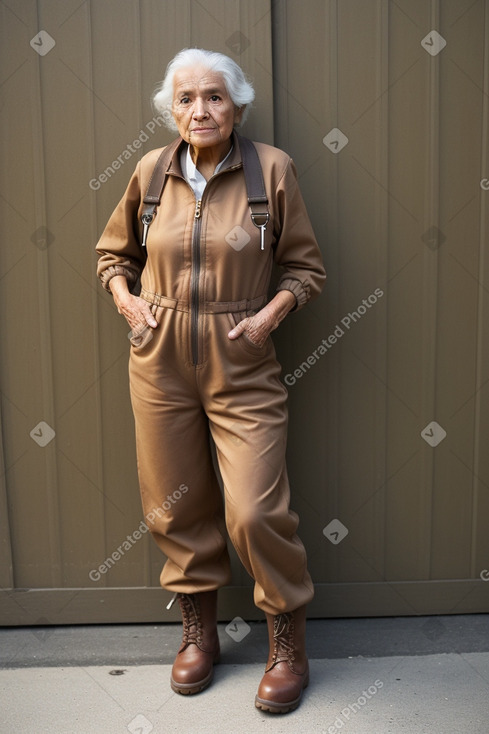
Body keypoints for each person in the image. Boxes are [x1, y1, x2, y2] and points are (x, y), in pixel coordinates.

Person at [95, 47, 326, 714]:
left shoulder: (271, 170)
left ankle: (288, 642)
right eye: (188, 98)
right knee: (172, 503)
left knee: (255, 510)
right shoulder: (149, 172)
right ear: (172, 109)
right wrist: (126, 299)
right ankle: (198, 635)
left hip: (241, 358)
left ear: (238, 105)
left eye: (215, 97)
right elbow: (113, 252)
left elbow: (305, 271)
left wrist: (266, 319)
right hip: (159, 356)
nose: (201, 109)